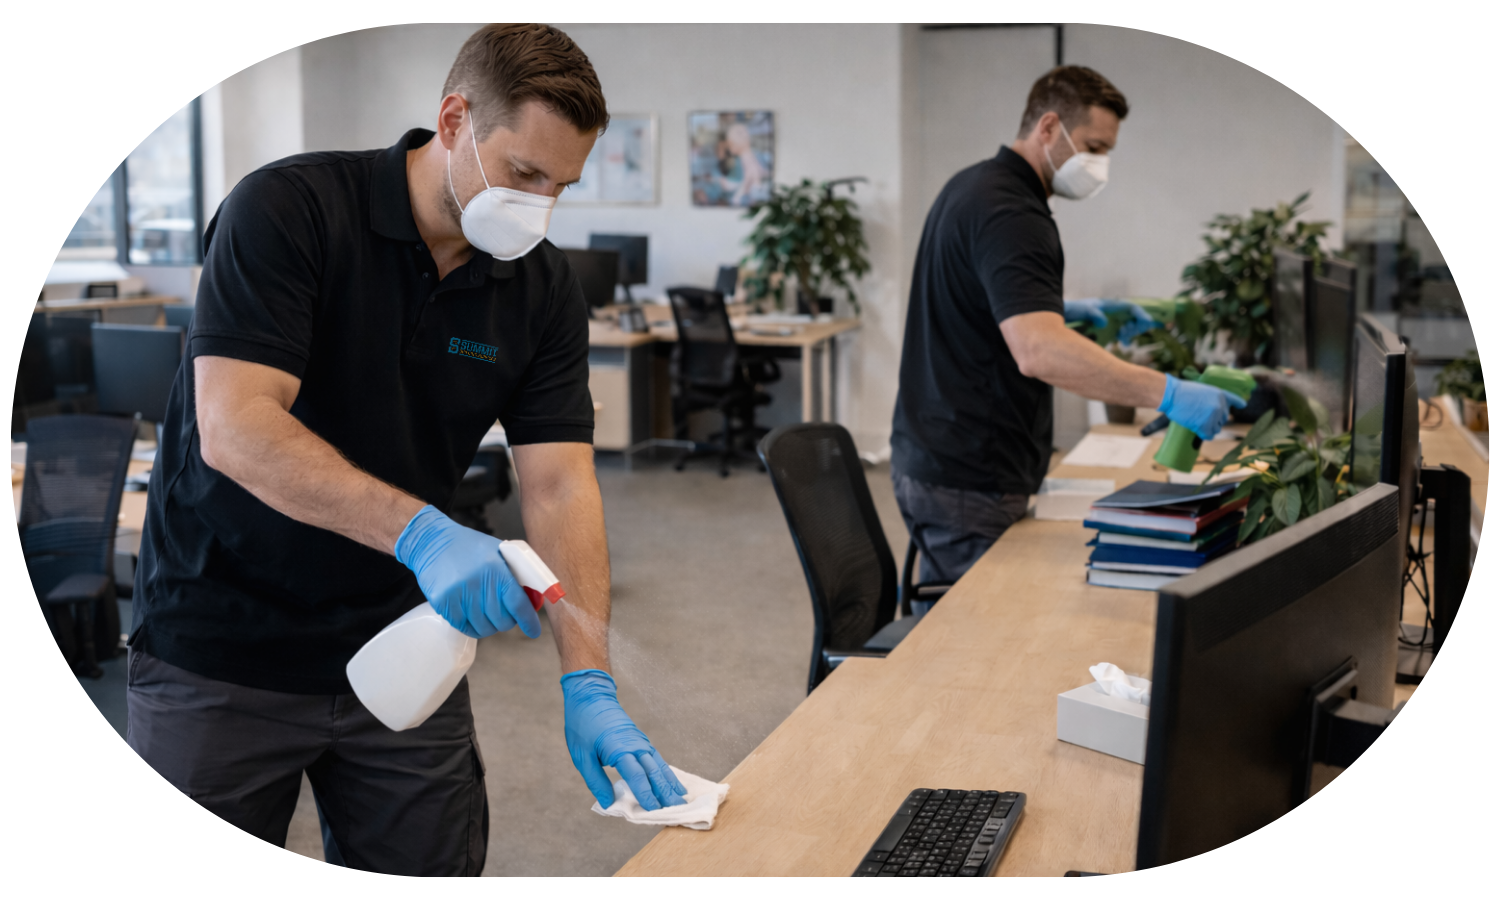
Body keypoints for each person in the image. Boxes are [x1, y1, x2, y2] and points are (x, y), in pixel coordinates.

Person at [126, 23, 684, 876]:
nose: (539, 206)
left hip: (408, 644)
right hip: (223, 645)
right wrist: (425, 534)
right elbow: (235, 426)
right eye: (525, 173)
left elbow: (562, 486)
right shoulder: (288, 210)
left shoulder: (539, 287)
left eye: (561, 187)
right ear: (454, 120)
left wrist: (588, 678)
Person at [890, 66, 1246, 585]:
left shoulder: (974, 186)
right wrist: (1168, 393)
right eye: (1093, 148)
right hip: (971, 473)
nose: (1099, 165)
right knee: (979, 642)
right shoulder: (1012, 213)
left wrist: (1065, 310)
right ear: (1049, 127)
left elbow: (979, 304)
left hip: (939, 454)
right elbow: (1038, 351)